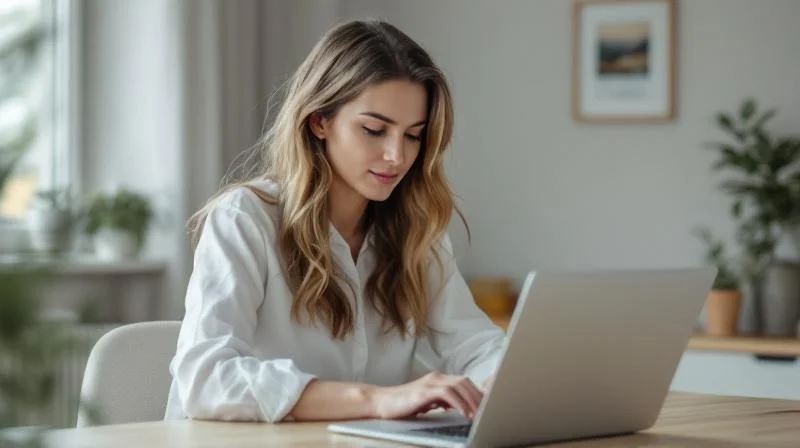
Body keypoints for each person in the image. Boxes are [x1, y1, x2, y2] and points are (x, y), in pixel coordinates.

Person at [164, 18, 505, 424]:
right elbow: (205, 380)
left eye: (414, 135)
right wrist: (375, 400)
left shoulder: (415, 233)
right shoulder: (244, 220)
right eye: (375, 130)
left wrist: (513, 384)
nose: (397, 156)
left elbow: (479, 349)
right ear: (319, 121)